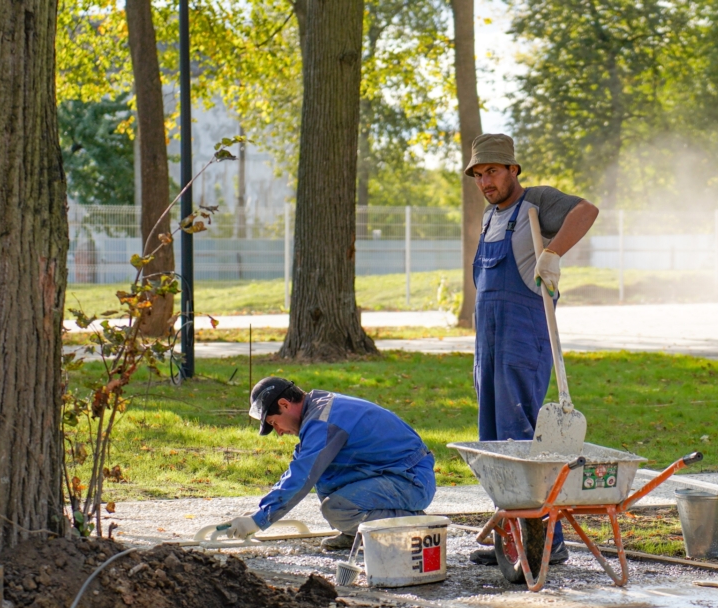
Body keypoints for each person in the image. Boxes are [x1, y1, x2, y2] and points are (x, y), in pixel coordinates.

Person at [463, 133, 600, 565]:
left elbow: (587, 211)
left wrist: (553, 254)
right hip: (489, 343)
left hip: (523, 337)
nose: (486, 181)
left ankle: (547, 544)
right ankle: (512, 542)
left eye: (493, 171)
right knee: (496, 447)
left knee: (521, 440)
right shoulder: (489, 217)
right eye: (479, 174)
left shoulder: (537, 202)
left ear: (512, 170)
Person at [222, 377, 437, 550]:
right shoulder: (318, 409)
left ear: (284, 404)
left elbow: (301, 477)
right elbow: (300, 471)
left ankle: (412, 524)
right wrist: (259, 512)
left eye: (273, 423)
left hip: (410, 481)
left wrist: (258, 520)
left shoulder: (322, 422)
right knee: (327, 479)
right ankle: (357, 533)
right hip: (399, 473)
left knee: (337, 508)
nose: (278, 432)